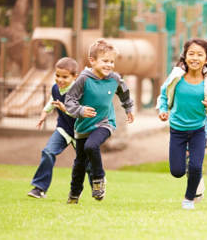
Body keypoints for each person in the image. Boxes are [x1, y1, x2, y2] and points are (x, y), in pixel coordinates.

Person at [157, 38, 207, 210]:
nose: (195, 58)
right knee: (177, 171)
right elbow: (164, 95)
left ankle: (189, 199)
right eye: (191, 54)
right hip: (177, 130)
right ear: (185, 57)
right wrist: (163, 109)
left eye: (199, 54)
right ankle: (189, 168)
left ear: (206, 59)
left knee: (196, 166)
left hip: (198, 130)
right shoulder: (176, 77)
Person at [65, 39, 135, 204]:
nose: (109, 65)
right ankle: (74, 194)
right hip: (83, 127)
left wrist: (129, 108)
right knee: (80, 163)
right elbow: (69, 100)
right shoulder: (83, 79)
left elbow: (124, 92)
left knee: (92, 145)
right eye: (105, 61)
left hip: (105, 122)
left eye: (112, 61)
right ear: (92, 61)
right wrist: (81, 111)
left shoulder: (114, 79)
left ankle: (98, 179)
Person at [28, 57, 88, 199]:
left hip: (80, 132)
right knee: (48, 152)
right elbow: (52, 100)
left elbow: (82, 113)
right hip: (63, 129)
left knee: (89, 165)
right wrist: (44, 112)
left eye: (64, 77)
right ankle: (39, 188)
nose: (60, 80)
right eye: (57, 75)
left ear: (75, 77)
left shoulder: (78, 92)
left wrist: (65, 109)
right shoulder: (56, 88)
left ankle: (98, 185)